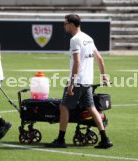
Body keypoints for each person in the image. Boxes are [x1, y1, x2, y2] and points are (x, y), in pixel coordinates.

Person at [45, 14, 113, 149]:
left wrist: (71, 83)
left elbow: (77, 62)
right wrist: (103, 76)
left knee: (64, 106)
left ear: (71, 24)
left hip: (78, 81)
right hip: (87, 81)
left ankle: (60, 139)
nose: (64, 26)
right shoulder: (88, 38)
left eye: (65, 24)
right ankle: (105, 139)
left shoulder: (75, 40)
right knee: (92, 108)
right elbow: (100, 59)